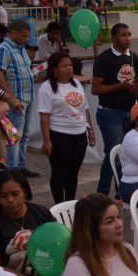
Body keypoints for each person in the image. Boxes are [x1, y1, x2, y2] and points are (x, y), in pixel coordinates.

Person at [92, 23, 138, 197]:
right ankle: (103, 192)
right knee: (114, 153)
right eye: (124, 35)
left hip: (130, 113)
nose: (128, 38)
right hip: (110, 113)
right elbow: (96, 89)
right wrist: (120, 86)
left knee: (127, 153)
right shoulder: (104, 58)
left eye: (129, 34)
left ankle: (120, 193)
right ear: (114, 38)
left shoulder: (134, 58)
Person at [37, 52, 96, 203]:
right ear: (55, 69)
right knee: (59, 173)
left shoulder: (76, 84)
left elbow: (85, 110)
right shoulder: (47, 87)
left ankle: (69, 203)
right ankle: (59, 205)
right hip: (59, 136)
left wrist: (90, 131)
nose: (69, 69)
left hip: (79, 135)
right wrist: (46, 140)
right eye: (64, 66)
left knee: (73, 173)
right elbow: (44, 116)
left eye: (70, 65)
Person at [0, 20, 37, 176]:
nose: (26, 39)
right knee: (14, 136)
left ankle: (20, 166)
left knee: (24, 134)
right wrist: (11, 99)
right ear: (14, 33)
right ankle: (12, 170)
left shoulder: (21, 48)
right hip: (16, 99)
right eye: (24, 36)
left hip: (27, 97)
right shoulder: (3, 49)